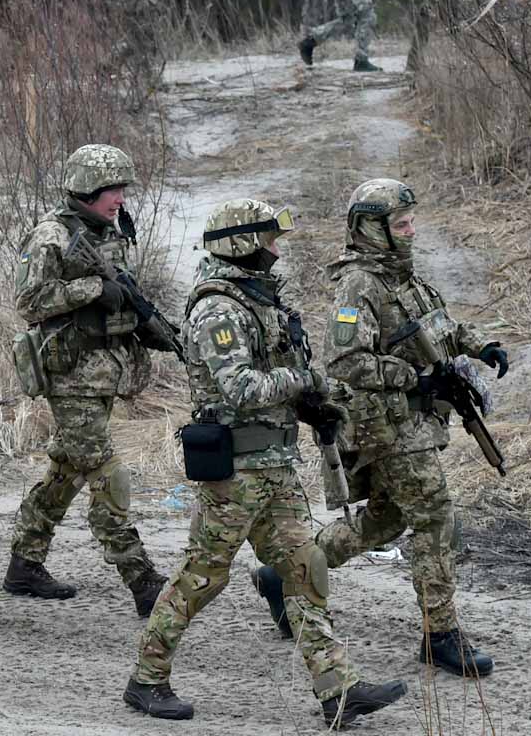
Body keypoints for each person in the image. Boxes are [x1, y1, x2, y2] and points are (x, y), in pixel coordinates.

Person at [124, 199, 405, 725]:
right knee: (202, 576)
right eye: (268, 239)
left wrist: (314, 403)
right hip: (235, 473)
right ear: (240, 243)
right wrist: (305, 382)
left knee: (307, 569)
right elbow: (240, 387)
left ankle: (337, 689)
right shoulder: (218, 309)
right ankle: (146, 679)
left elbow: (278, 375)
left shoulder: (260, 302)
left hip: (275, 467)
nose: (276, 250)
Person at [251, 178, 504, 678]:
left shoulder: (401, 277)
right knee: (435, 518)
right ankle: (441, 636)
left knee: (387, 519)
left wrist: (480, 345)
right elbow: (345, 362)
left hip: (413, 421)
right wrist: (415, 376)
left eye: (411, 222)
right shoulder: (359, 284)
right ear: (371, 229)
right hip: (384, 427)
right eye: (400, 225)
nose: (411, 232)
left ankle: (285, 576)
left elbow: (439, 326)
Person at [4, 145, 167, 617]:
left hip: (102, 376)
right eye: (112, 189)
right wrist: (94, 290)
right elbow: (30, 302)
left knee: (66, 470)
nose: (119, 198)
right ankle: (142, 578)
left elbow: (120, 294)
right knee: (105, 475)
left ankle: (24, 563)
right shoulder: (51, 236)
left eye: (121, 189)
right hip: (69, 376)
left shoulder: (108, 232)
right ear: (87, 188)